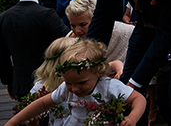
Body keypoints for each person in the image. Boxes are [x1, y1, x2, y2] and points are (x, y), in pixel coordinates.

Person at [6, 39, 146, 126]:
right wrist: (13, 122)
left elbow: (139, 99)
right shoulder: (65, 89)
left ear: (98, 72)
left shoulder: (108, 86)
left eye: (81, 83)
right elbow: (42, 103)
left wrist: (132, 117)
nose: (74, 89)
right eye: (69, 83)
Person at [0, 0, 70, 99]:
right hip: (46, 80)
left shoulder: (5, 17)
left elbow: (3, 54)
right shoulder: (46, 15)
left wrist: (8, 80)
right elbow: (69, 39)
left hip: (20, 82)